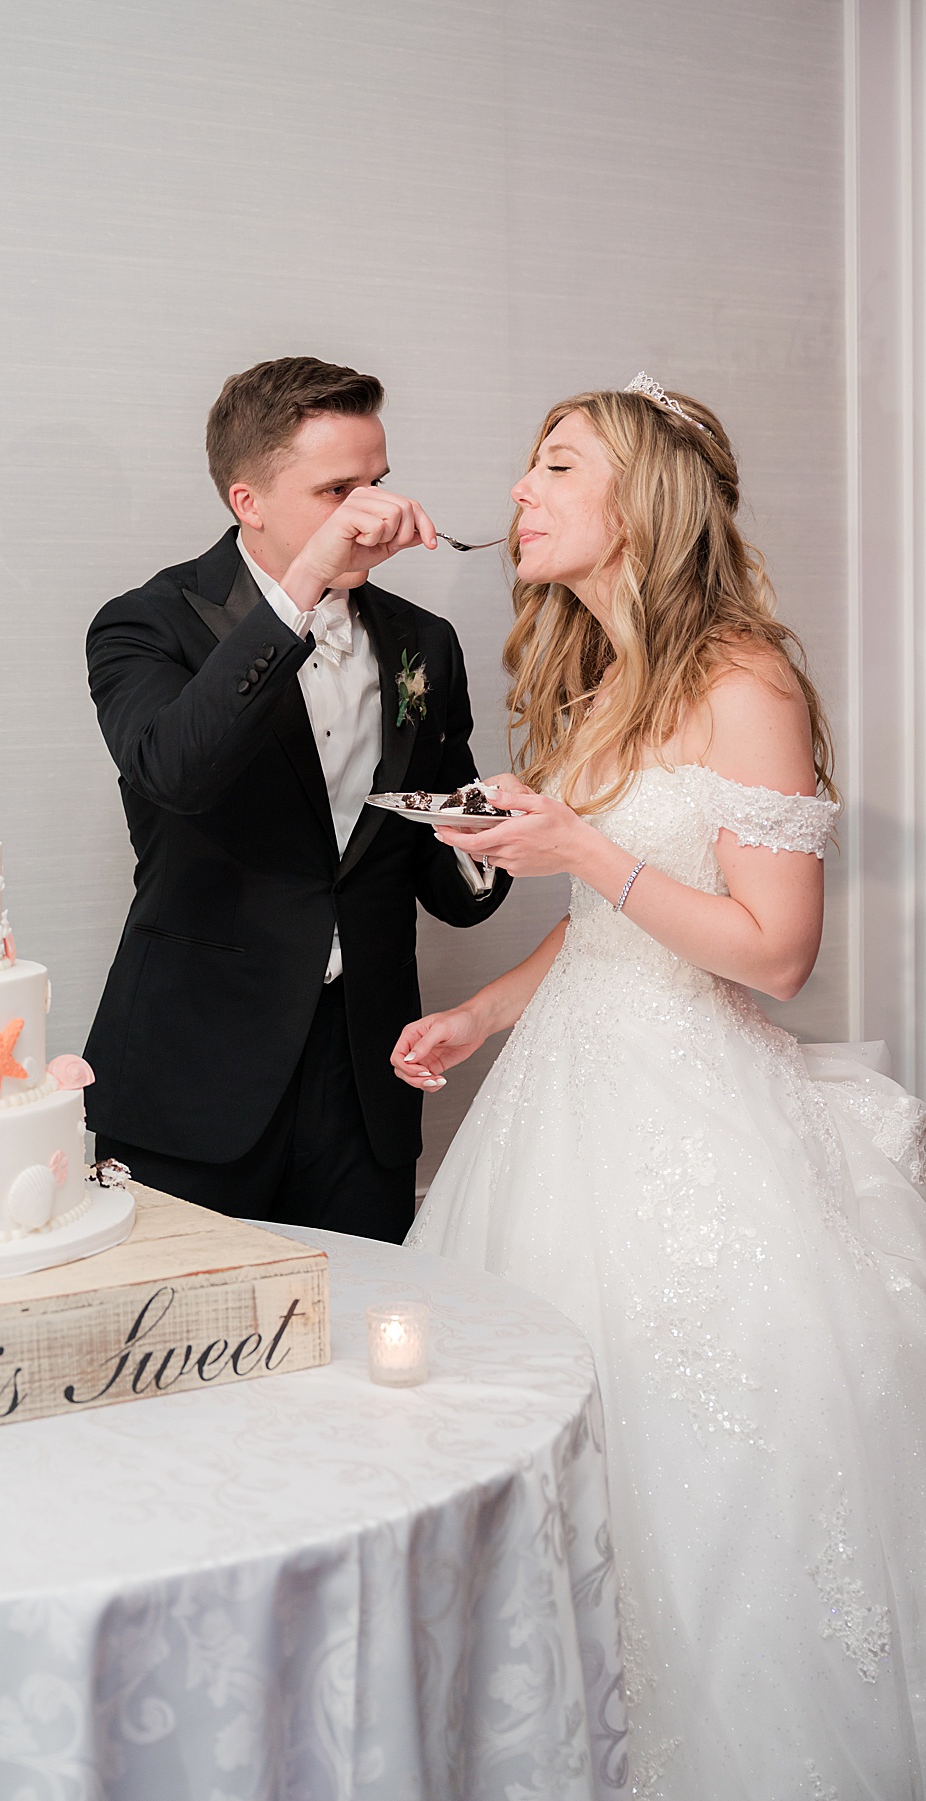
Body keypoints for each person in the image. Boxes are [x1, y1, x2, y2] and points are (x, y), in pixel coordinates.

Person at [401, 378, 926, 1795]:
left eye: (555, 465)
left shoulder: (745, 680)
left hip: (700, 1133)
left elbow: (776, 953)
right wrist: (482, 1015)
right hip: (565, 1109)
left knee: (707, 1495)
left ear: (641, 499)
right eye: (526, 468)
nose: (520, 492)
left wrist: (587, 851)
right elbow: (613, 925)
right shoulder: (607, 684)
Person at [82, 357, 510, 1240]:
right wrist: (301, 587)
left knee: (359, 1345)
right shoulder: (144, 623)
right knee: (178, 1355)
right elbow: (175, 770)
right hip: (193, 1074)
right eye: (336, 491)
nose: (370, 511)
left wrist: (480, 838)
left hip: (366, 1077)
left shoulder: (422, 643)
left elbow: (445, 883)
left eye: (378, 483)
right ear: (249, 502)